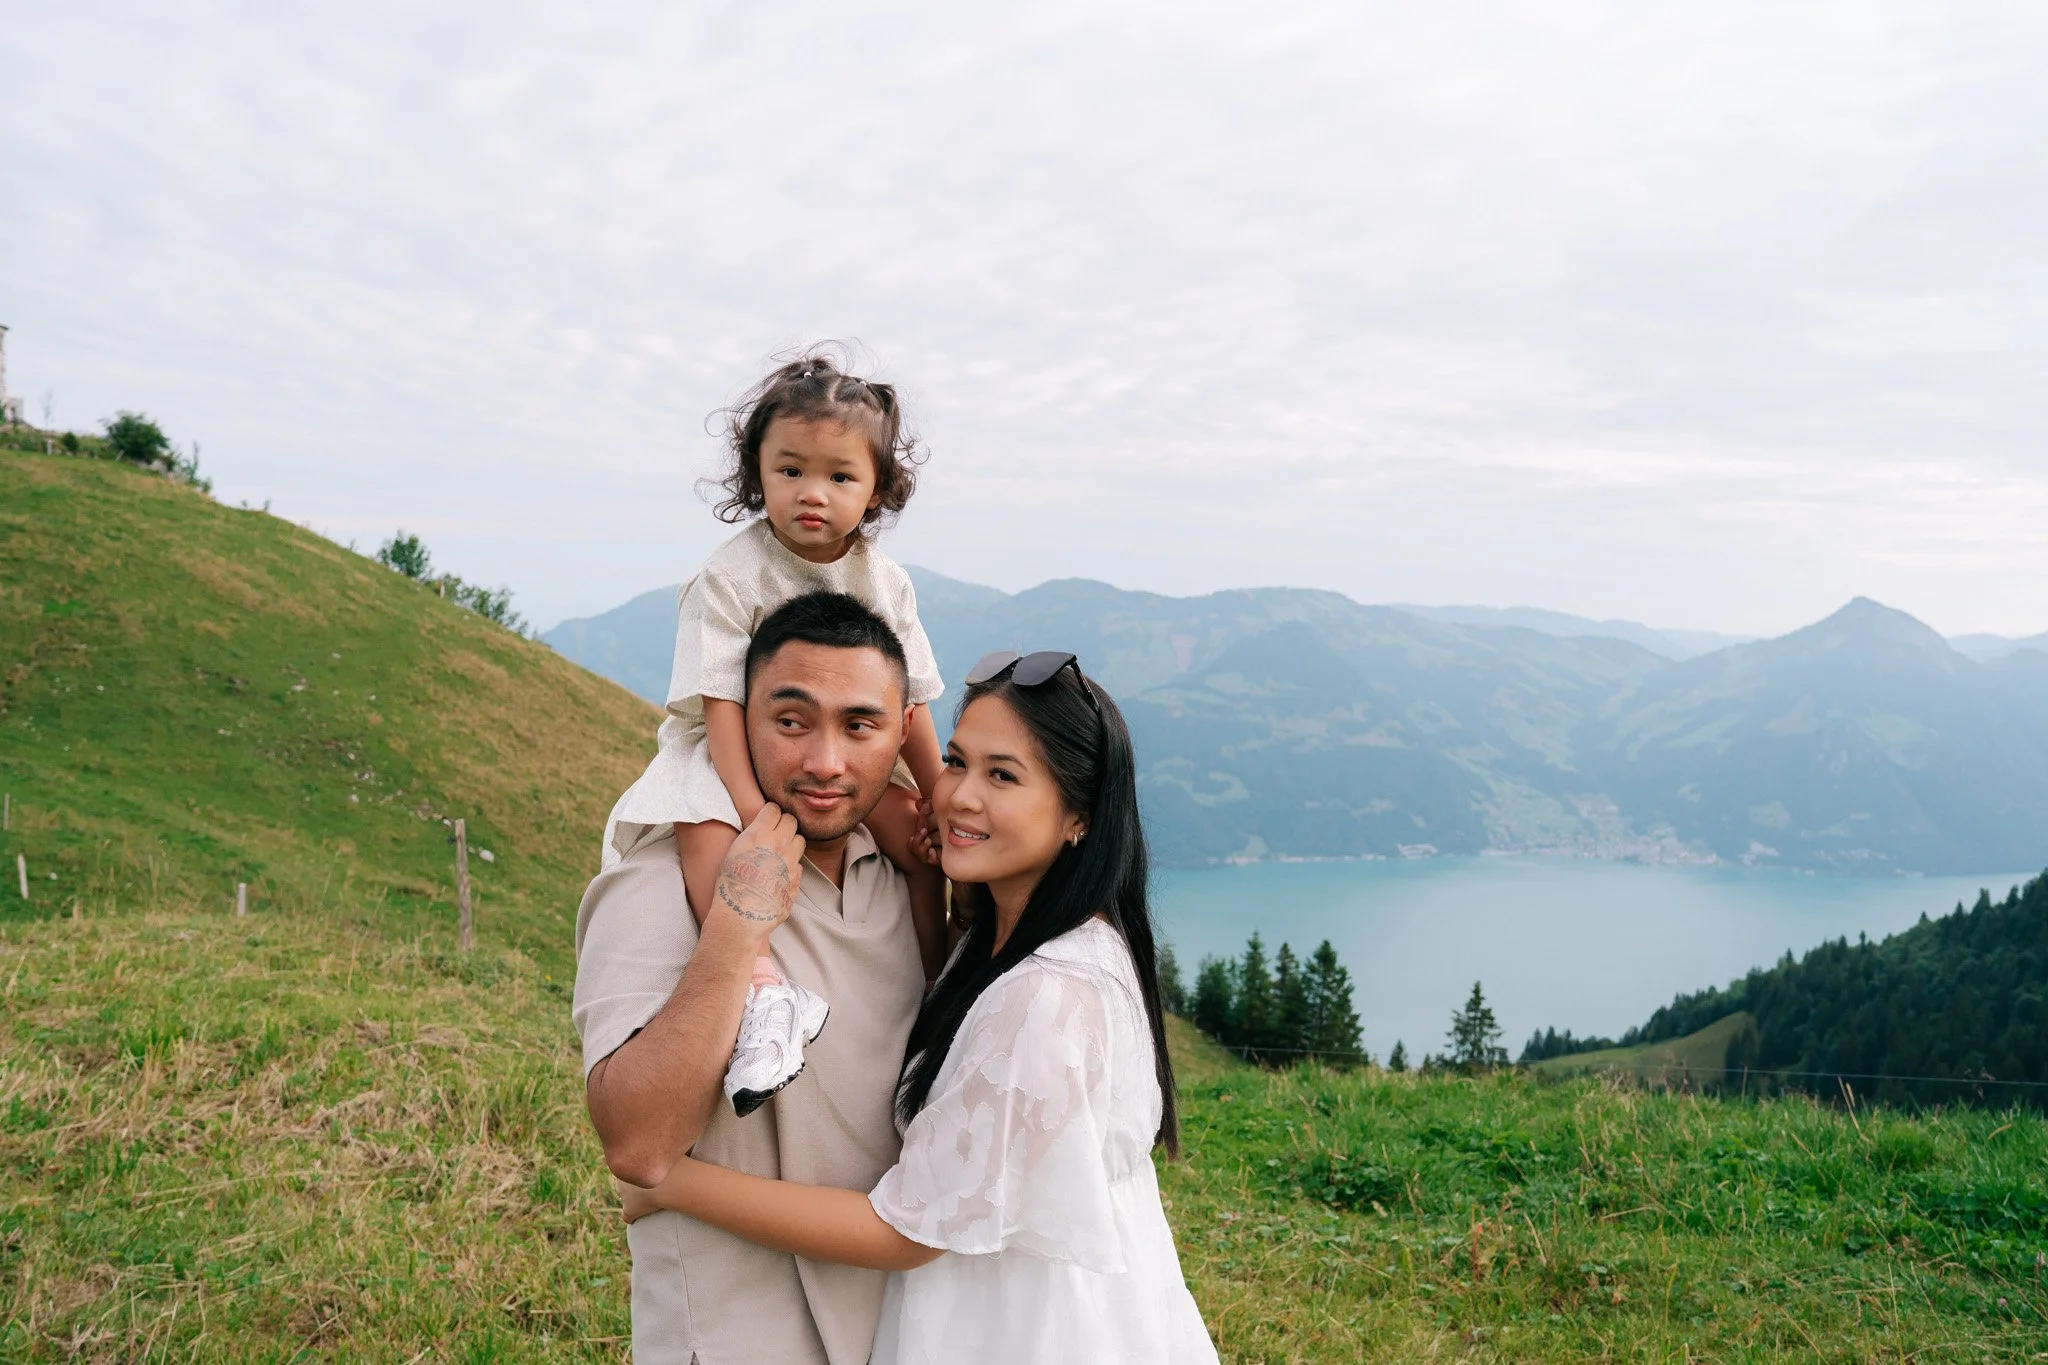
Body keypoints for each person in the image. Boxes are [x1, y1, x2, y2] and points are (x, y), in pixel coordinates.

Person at [621, 651, 1220, 1364]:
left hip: (1020, 1332)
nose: (959, 795)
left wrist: (675, 1183)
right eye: (958, 761)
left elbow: (903, 1232)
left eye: (1003, 775)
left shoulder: (1047, 998)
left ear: (1078, 819)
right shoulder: (1023, 935)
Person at [576, 592, 932, 1365]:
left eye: (860, 724)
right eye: (792, 719)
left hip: (898, 1329)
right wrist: (737, 926)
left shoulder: (905, 880)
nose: (825, 761)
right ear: (739, 720)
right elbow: (636, 1142)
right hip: (737, 1334)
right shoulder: (661, 879)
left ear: (903, 731)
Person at [601, 350, 949, 1115]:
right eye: (790, 471)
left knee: (918, 845)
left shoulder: (885, 582)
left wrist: (936, 794)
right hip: (729, 754)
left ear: (878, 488)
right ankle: (760, 992)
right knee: (706, 835)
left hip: (839, 753)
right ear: (757, 472)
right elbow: (720, 702)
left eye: (840, 476)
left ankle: (938, 986)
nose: (812, 494)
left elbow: (910, 702)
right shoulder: (730, 575)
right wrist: (752, 807)